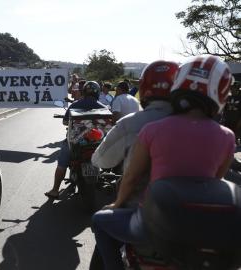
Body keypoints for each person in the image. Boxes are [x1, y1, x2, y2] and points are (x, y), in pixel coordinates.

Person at [91, 55, 235, 270]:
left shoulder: (153, 129)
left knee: (100, 221)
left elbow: (131, 176)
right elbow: (216, 182)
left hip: (152, 221)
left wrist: (117, 203)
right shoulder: (227, 136)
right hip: (198, 226)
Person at [92, 61, 179, 193]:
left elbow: (101, 160)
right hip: (192, 203)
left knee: (102, 215)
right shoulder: (201, 125)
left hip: (143, 203)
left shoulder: (129, 123)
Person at [45, 81, 108, 199]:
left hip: (75, 141)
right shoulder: (103, 107)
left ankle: (55, 190)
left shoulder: (75, 105)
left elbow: (65, 121)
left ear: (83, 92)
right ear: (97, 92)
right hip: (96, 142)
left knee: (62, 163)